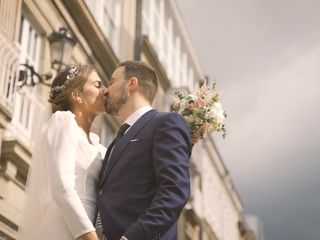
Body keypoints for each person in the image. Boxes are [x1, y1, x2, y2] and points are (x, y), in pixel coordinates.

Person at [97, 60, 192, 240]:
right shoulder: (115, 141)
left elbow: (175, 190)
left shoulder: (166, 123)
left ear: (131, 84)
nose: (105, 90)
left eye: (111, 82)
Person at [18, 65, 107, 240]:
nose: (105, 91)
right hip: (66, 228)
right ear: (77, 95)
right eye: (97, 85)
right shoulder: (63, 123)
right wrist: (90, 236)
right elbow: (62, 188)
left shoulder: (98, 144)